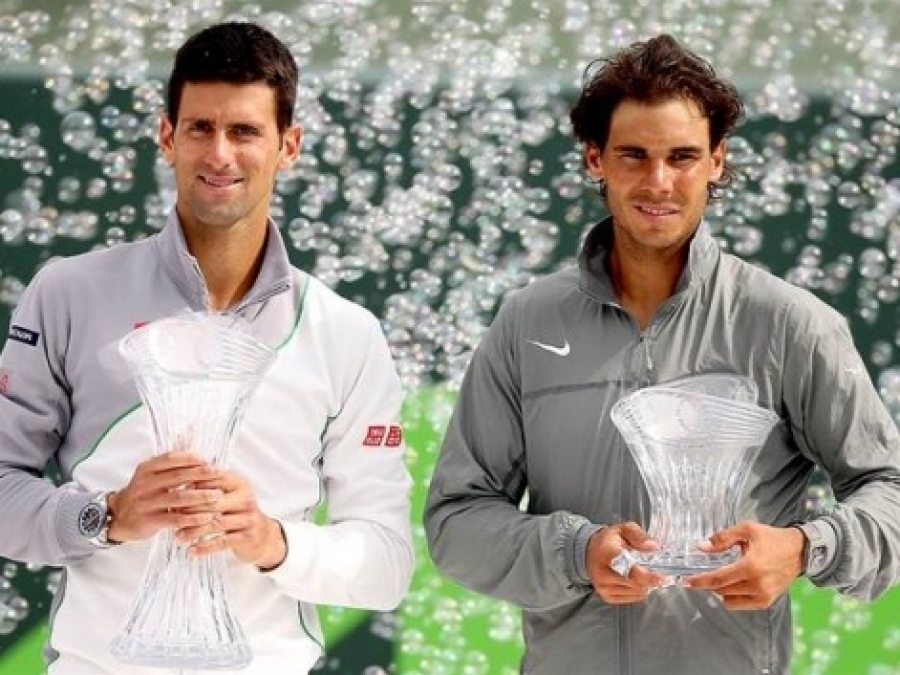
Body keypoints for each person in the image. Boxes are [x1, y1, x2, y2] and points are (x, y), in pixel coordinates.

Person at [424, 33, 900, 674]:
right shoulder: (525, 324)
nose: (658, 181)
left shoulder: (790, 323)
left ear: (717, 162)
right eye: (633, 155)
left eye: (682, 156)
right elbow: (457, 520)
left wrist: (802, 548)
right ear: (595, 159)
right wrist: (577, 553)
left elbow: (889, 486)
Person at [0, 21, 414, 675]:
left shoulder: (345, 331)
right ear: (168, 137)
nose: (220, 154)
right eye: (200, 128)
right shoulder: (67, 292)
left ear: (289, 146)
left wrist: (270, 539)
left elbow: (385, 563)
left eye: (245, 131)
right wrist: (102, 514)